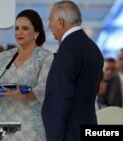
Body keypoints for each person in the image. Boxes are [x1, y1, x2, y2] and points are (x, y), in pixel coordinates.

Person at [0, 9, 53, 140]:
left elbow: (44, 90)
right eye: (16, 28)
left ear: (36, 32)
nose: (19, 32)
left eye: (25, 28)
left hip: (31, 129)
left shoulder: (46, 57)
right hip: (3, 127)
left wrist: (24, 95)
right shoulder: (3, 57)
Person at [42, 1, 103, 141]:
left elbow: (61, 100)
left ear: (61, 22)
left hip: (69, 133)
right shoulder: (94, 48)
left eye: (50, 20)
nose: (49, 25)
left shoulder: (67, 52)